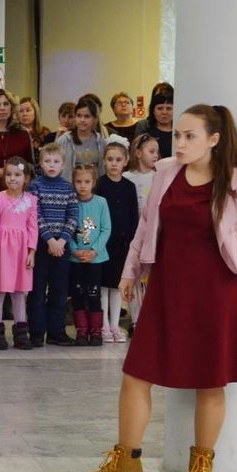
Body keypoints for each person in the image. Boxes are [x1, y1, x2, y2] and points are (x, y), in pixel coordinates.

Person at [81, 104, 237, 472]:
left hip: (218, 292)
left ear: (214, 140)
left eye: (190, 136)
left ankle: (202, 464)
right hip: (167, 289)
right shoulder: (168, 172)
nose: (181, 143)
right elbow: (148, 225)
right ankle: (126, 462)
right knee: (136, 375)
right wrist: (129, 271)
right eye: (179, 135)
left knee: (210, 381)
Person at [28, 143, 79, 347]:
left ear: (63, 164)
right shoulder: (35, 186)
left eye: (56, 161)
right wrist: (49, 239)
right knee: (37, 290)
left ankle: (56, 331)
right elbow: (35, 215)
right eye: (47, 161)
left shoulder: (68, 187)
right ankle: (37, 332)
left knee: (59, 290)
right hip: (41, 245)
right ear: (40, 163)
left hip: (62, 246)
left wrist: (62, 240)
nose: (52, 165)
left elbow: (73, 215)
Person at [0, 156, 38, 350]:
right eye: (8, 174)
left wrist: (32, 251)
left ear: (26, 178)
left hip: (21, 251)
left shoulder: (31, 201)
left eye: (17, 175)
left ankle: (21, 333)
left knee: (18, 293)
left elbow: (33, 228)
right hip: (2, 249)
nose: (12, 179)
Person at [96, 136, 138, 342]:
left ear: (126, 161)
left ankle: (114, 326)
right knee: (103, 285)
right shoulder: (99, 185)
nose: (114, 163)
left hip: (123, 244)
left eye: (118, 159)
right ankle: (103, 325)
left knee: (116, 286)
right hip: (104, 244)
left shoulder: (129, 187)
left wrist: (133, 242)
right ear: (104, 160)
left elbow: (133, 216)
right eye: (110, 159)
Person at [69, 164, 111, 346]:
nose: (82, 185)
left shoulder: (101, 202)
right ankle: (82, 331)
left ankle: (96, 331)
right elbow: (67, 229)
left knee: (94, 294)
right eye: (78, 181)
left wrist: (94, 251)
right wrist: (74, 250)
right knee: (77, 293)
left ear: (93, 182)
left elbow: (106, 229)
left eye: (87, 181)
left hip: (96, 258)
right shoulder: (71, 202)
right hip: (75, 258)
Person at [122, 133, 160, 330]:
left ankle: (151, 320)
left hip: (154, 235)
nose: (156, 156)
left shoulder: (159, 177)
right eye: (151, 151)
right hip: (134, 234)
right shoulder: (127, 177)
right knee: (134, 279)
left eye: (157, 152)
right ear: (138, 153)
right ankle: (136, 321)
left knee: (151, 280)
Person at [57, 96, 107, 182]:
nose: (82, 120)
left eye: (87, 116)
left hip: (94, 189)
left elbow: (103, 170)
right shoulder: (63, 140)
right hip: (69, 189)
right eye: (79, 116)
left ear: (94, 119)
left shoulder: (101, 142)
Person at [133, 82, 174, 158]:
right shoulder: (144, 126)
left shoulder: (180, 127)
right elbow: (137, 154)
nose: (164, 112)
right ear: (153, 109)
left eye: (169, 108)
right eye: (160, 108)